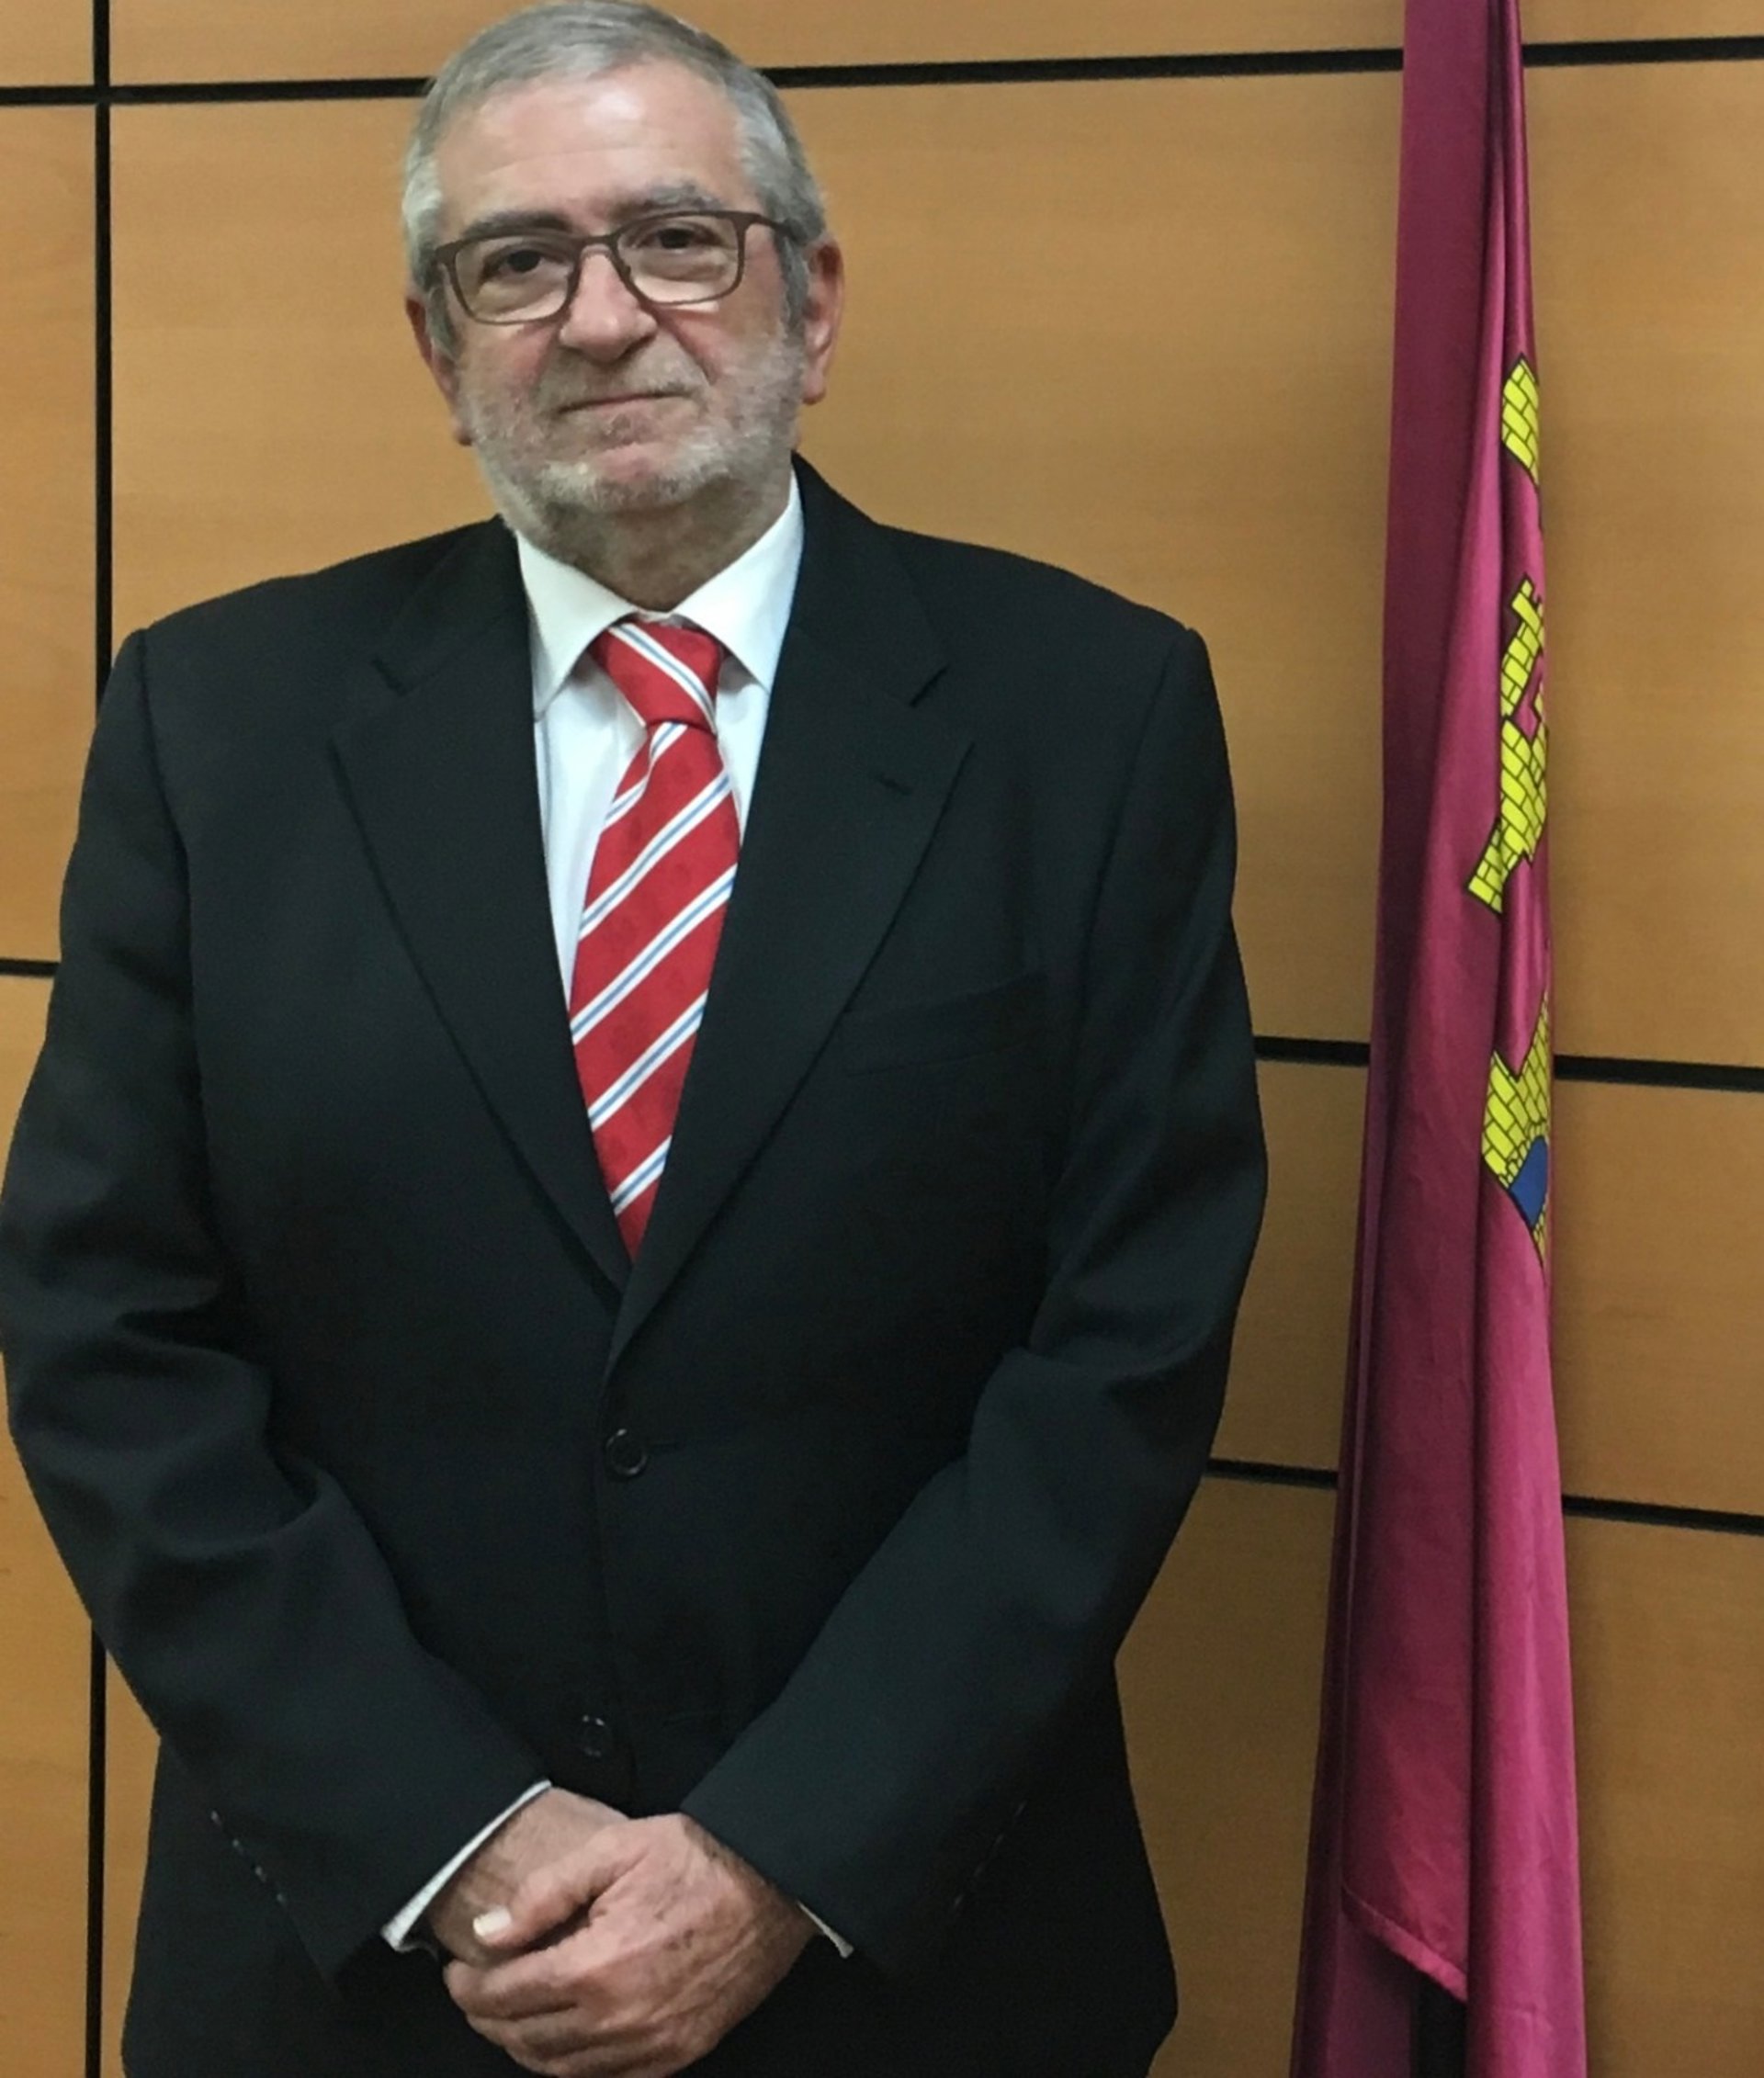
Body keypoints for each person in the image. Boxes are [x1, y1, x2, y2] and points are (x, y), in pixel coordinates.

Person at [0, 5, 1266, 2073]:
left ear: (811, 301)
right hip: (371, 1969)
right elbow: (109, 1334)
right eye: (516, 263)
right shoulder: (214, 726)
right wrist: (456, 1835)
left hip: (913, 1962)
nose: (602, 318)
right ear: (441, 351)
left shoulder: (1089, 716)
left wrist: (779, 1855)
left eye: (679, 238)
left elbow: (1123, 1350)